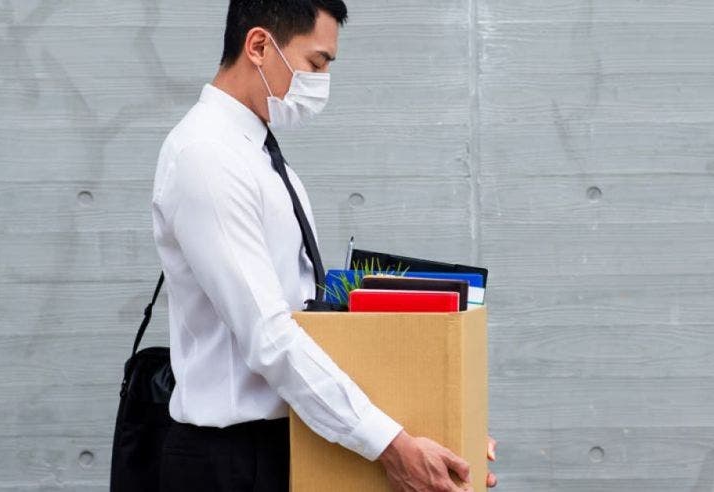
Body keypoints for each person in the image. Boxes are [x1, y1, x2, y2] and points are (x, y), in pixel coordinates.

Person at [150, 1, 498, 490]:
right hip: (231, 461)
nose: (321, 81)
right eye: (316, 63)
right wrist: (392, 445)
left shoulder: (257, 155)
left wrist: (443, 425)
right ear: (258, 46)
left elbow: (304, 317)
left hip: (287, 440)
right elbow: (270, 337)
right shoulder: (207, 157)